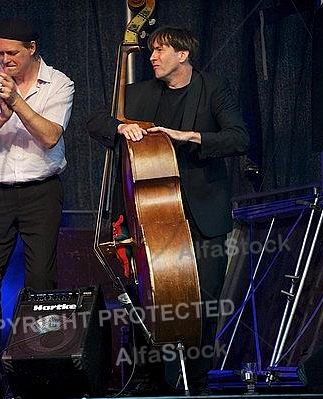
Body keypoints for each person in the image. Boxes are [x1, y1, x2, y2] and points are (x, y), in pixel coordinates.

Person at [87, 25, 249, 396]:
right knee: (157, 299)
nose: (153, 57)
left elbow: (239, 137)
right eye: (151, 51)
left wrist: (190, 136)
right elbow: (95, 121)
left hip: (203, 213)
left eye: (160, 50)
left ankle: (199, 378)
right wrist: (122, 126)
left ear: (183, 54)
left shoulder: (213, 88)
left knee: (204, 301)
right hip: (155, 216)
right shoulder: (141, 94)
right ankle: (160, 379)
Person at [0, 18, 74, 399]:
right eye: (0, 53)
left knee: (41, 281)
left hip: (41, 192)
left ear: (31, 48)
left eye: (12, 53)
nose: (4, 60)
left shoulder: (59, 83)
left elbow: (49, 136)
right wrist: (0, 114)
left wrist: (15, 101)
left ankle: (35, 368)